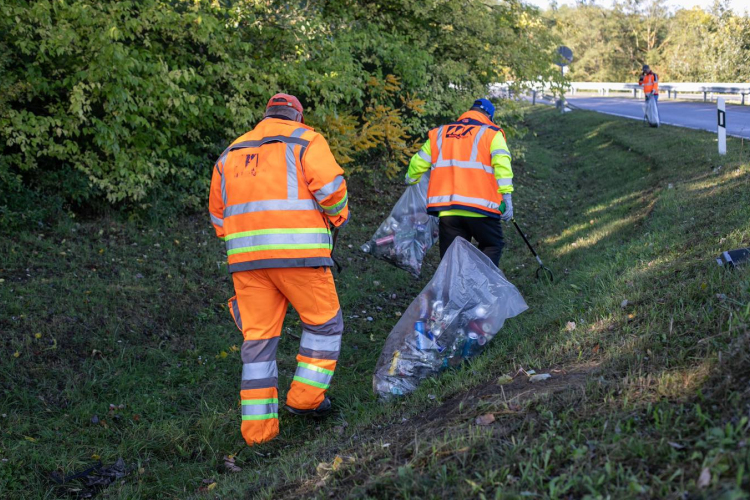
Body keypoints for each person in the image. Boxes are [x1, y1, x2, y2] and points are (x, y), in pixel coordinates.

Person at [208, 93, 349, 446]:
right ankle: (305, 399)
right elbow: (332, 190)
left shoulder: (231, 153)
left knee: (257, 342)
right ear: (297, 117)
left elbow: (217, 216)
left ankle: (258, 435)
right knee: (324, 324)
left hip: (247, 263)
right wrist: (338, 218)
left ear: (266, 116)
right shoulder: (306, 140)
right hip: (300, 256)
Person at [404, 98, 514, 266]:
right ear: (489, 117)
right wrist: (506, 196)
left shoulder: (441, 134)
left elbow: (419, 161)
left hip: (448, 210)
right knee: (492, 245)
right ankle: (480, 285)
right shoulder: (492, 133)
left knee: (451, 258)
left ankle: (454, 290)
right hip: (481, 209)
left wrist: (411, 178)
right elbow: (502, 165)